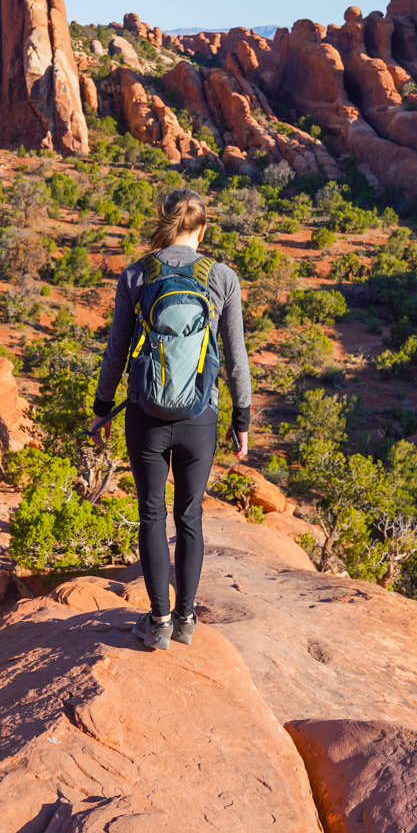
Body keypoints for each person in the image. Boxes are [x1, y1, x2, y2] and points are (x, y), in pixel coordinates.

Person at [88, 188, 251, 652]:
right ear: (202, 230)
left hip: (145, 414)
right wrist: (241, 418)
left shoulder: (137, 274)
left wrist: (102, 409)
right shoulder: (222, 276)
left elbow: (117, 349)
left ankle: (157, 621)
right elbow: (237, 358)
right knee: (191, 518)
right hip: (201, 416)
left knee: (152, 515)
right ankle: (184, 620)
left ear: (164, 223)